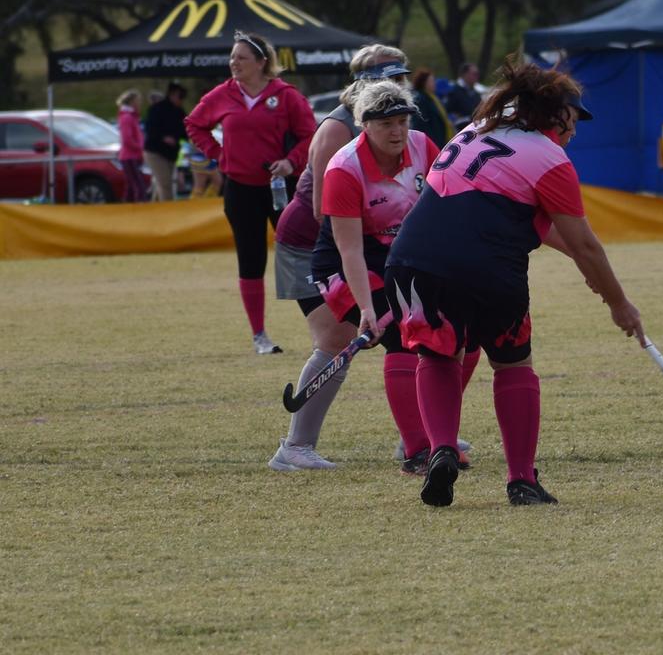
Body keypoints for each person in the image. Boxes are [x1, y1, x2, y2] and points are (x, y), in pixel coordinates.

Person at [385, 58, 644, 508]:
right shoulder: (549, 157)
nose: (574, 131)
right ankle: (522, 480)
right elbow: (585, 245)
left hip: (412, 259)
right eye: (572, 120)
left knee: (438, 353)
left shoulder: (473, 131)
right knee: (512, 364)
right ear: (552, 115)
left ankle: (440, 449)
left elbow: (522, 219)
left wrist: (597, 279)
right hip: (486, 267)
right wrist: (619, 303)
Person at [301, 81, 444, 478]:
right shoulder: (345, 168)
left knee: (447, 335)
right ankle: (417, 451)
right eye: (386, 125)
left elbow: (438, 212)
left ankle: (433, 436)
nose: (398, 132)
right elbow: (349, 251)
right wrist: (366, 308)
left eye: (402, 121)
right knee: (400, 333)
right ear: (364, 125)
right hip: (345, 262)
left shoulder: (423, 148)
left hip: (399, 255)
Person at [186, 31, 315, 355]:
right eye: (232, 57)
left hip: (281, 187)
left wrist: (291, 161)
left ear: (261, 62)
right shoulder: (222, 94)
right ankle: (260, 336)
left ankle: (324, 328)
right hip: (240, 189)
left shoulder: (285, 95)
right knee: (251, 259)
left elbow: (311, 135)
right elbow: (194, 124)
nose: (234, 63)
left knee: (300, 255)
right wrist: (218, 154)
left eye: (241, 58)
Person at [143, 82, 187, 201]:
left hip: (170, 154)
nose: (181, 100)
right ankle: (168, 211)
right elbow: (150, 129)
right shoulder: (157, 109)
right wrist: (164, 137)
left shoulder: (179, 112)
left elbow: (185, 131)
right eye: (180, 97)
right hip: (155, 152)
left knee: (161, 184)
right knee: (165, 183)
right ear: (172, 95)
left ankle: (156, 210)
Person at [409, 68, 455, 149]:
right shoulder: (420, 99)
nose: (434, 84)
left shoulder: (433, 98)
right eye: (431, 81)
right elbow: (420, 124)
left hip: (440, 141)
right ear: (423, 83)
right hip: (432, 143)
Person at [116, 89, 147, 202]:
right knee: (139, 186)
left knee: (131, 186)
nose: (139, 104)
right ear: (132, 102)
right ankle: (141, 210)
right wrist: (140, 148)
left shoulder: (131, 117)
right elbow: (127, 139)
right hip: (130, 157)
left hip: (133, 156)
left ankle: (128, 210)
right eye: (137, 101)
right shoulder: (127, 117)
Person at [444, 62, 482, 128]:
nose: (477, 76)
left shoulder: (475, 93)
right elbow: (447, 112)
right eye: (474, 74)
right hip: (459, 131)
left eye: (477, 74)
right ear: (465, 74)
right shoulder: (453, 91)